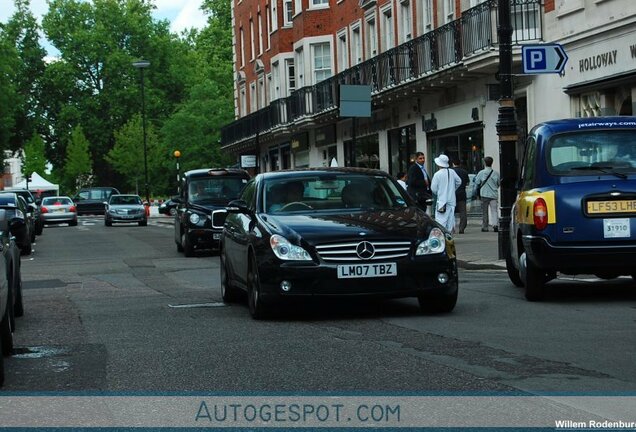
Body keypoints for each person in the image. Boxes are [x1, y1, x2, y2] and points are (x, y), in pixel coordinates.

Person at [430, 154, 462, 232]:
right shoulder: (452, 172)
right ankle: (449, 236)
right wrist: (452, 189)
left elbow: (433, 188)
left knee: (440, 221)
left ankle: (443, 236)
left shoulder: (437, 174)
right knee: (450, 220)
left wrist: (440, 192)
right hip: (451, 200)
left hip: (442, 201)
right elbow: (459, 181)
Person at [474, 156, 501, 232]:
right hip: (493, 194)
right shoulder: (496, 173)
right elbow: (498, 183)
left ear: (484, 163)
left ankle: (485, 227)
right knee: (494, 210)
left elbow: (477, 182)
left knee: (484, 211)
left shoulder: (481, 173)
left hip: (484, 194)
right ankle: (495, 224)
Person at [452, 158, 470, 234]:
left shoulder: (451, 172)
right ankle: (462, 227)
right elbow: (467, 182)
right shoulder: (464, 172)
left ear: (453, 163)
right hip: (462, 193)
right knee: (463, 212)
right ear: (460, 164)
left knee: (451, 212)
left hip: (452, 194)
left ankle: (452, 228)